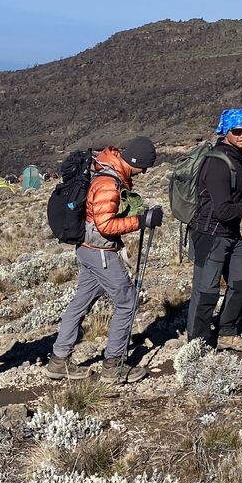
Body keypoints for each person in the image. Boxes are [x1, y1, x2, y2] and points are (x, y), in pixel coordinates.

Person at [48, 137, 161, 384]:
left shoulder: (107, 172)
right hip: (100, 252)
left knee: (80, 303)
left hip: (88, 249)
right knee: (127, 302)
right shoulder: (109, 183)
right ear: (137, 162)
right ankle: (113, 366)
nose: (144, 172)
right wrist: (142, 221)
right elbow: (106, 225)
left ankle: (58, 361)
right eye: (145, 167)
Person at [185, 109, 242, 350]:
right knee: (206, 292)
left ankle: (226, 332)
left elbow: (236, 186)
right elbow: (223, 210)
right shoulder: (217, 162)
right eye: (237, 131)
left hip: (229, 232)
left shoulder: (236, 157)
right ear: (226, 132)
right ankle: (197, 344)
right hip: (210, 234)